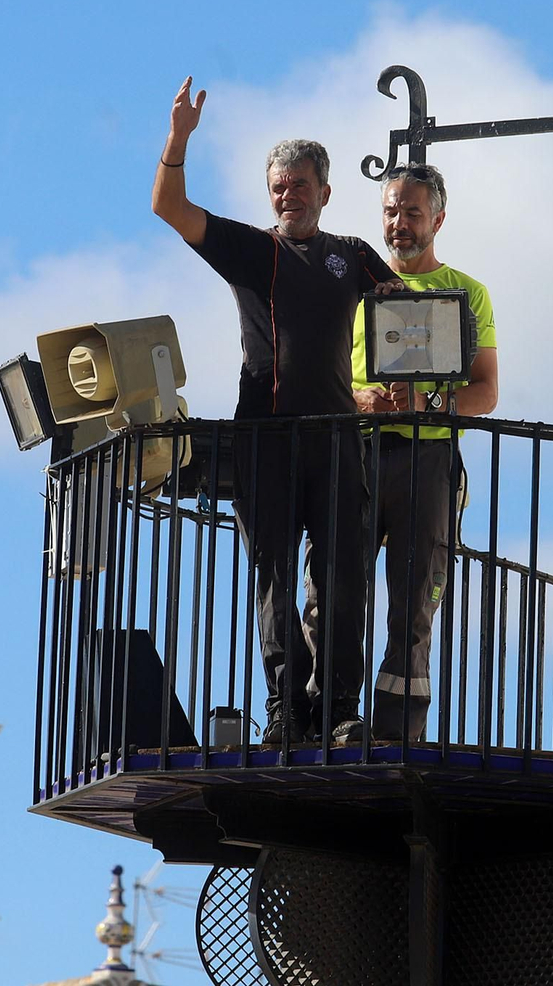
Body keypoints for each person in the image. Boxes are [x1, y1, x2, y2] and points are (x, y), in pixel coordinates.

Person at [150, 77, 398, 745]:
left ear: (325, 188)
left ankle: (339, 704)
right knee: (272, 576)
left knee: (344, 576)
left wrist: (396, 388)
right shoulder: (254, 249)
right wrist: (179, 138)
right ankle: (287, 702)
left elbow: (412, 316)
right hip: (265, 439)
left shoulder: (352, 255)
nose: (287, 195)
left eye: (298, 184)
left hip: (340, 440)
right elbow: (169, 207)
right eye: (277, 186)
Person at [307, 162, 499, 741]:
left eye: (412, 212)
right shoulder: (350, 285)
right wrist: (359, 400)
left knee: (416, 601)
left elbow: (486, 391)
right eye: (391, 211)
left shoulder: (468, 293)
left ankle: (398, 733)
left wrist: (429, 404)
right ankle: (326, 720)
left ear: (438, 218)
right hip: (356, 454)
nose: (399, 223)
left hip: (430, 462)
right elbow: (319, 374)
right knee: (332, 587)